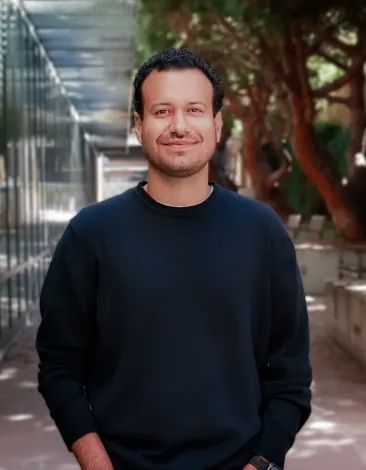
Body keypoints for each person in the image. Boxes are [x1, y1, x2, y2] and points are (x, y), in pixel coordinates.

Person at [36, 47, 312, 470]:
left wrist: (262, 463)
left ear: (216, 125)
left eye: (195, 110)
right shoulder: (90, 235)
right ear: (139, 125)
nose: (179, 125)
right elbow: (59, 366)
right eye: (162, 110)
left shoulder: (262, 232)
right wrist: (96, 463)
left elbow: (290, 375)